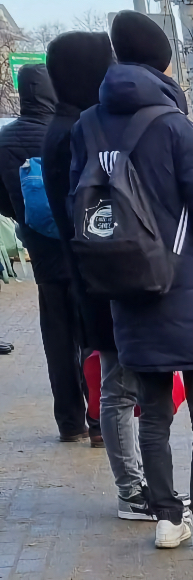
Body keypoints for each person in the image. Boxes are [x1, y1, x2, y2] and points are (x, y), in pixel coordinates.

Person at [70, 10, 193, 550]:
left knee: (153, 413)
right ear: (165, 60)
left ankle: (168, 520)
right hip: (191, 284)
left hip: (127, 286)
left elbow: (72, 203)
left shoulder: (87, 126)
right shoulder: (174, 125)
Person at [46, 30, 160, 519]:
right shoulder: (74, 133)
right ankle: (132, 490)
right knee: (118, 385)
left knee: (122, 382)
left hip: (93, 274)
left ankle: (138, 485)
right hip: (100, 276)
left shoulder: (68, 126)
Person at [0, 63, 97, 442]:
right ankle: (98, 420)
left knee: (57, 339)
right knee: (91, 336)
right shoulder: (68, 131)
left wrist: (25, 218)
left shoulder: (6, 141)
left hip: (42, 256)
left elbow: (5, 203)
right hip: (79, 248)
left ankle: (69, 423)